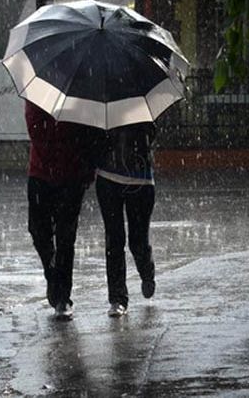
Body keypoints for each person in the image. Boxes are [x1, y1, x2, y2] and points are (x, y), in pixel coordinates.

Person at [25, 101, 101, 320]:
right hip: (41, 174)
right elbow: (36, 130)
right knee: (38, 231)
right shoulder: (38, 96)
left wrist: (86, 169)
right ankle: (53, 275)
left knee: (66, 237)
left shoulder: (81, 98)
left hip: (72, 177)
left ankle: (62, 297)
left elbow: (89, 135)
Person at [95, 122, 157, 318]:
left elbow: (151, 133)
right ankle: (117, 298)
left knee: (138, 241)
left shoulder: (142, 100)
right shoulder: (100, 102)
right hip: (107, 177)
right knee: (114, 240)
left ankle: (147, 271)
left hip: (140, 179)